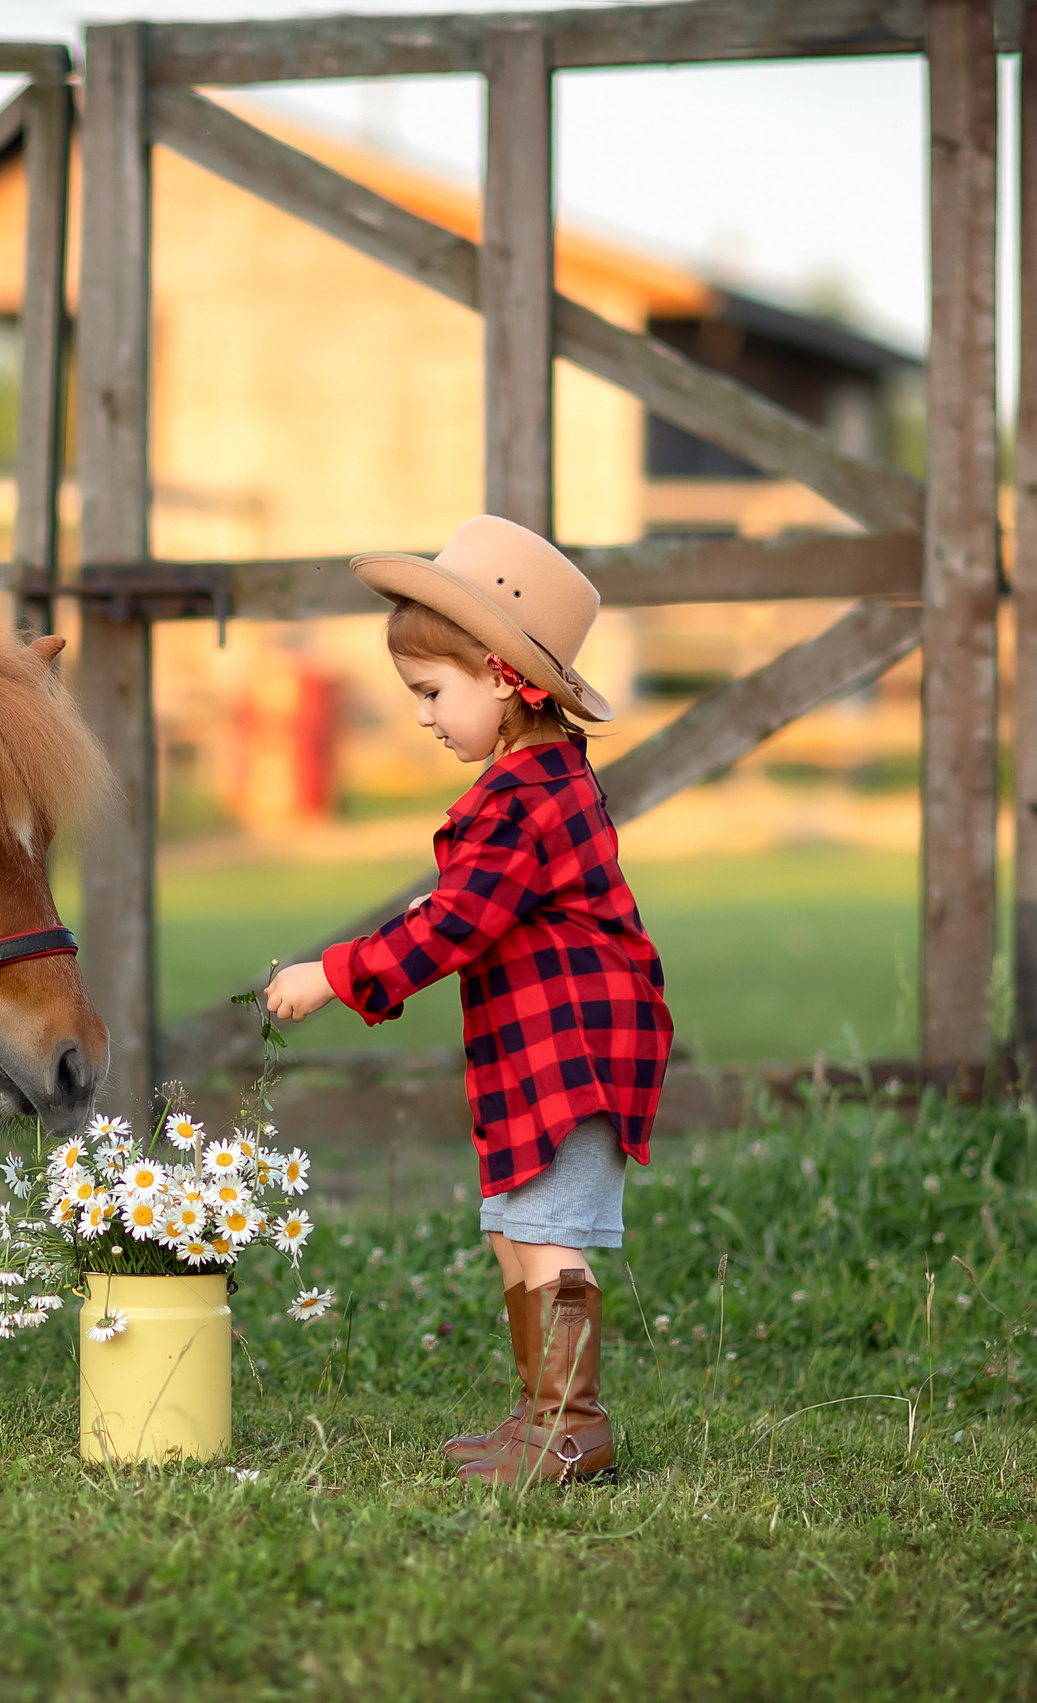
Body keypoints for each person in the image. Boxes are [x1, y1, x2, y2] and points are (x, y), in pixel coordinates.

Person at [264, 515, 671, 1484]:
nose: (422, 715)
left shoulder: (522, 797)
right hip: (536, 1051)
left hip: (573, 1051)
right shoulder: (531, 784)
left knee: (548, 1237)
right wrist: (438, 909)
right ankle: (543, 1417)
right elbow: (482, 906)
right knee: (512, 1224)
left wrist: (333, 972)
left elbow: (455, 926)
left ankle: (570, 1431)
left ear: (498, 675)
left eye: (431, 692)